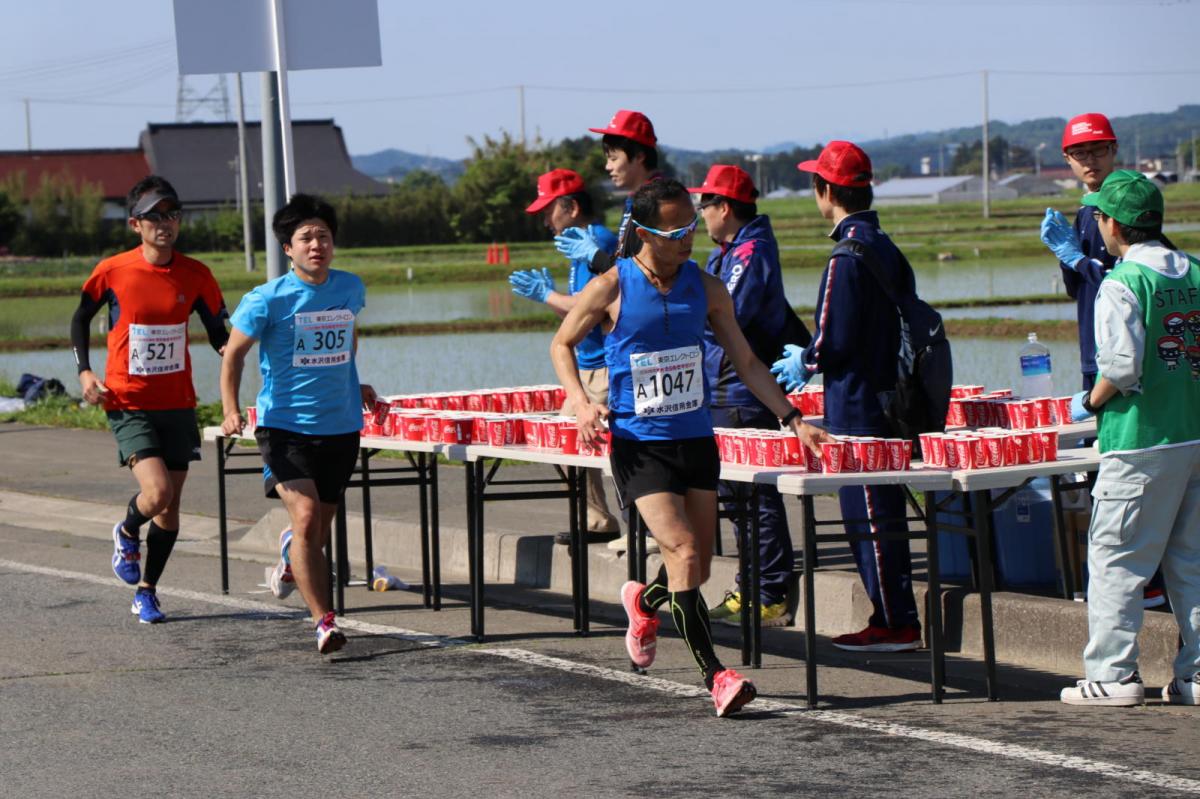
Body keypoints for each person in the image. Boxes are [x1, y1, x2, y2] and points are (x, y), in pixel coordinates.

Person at [550, 178, 828, 716]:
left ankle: (642, 600)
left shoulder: (708, 287)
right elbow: (561, 344)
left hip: (696, 439)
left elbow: (747, 363)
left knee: (694, 572)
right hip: (639, 444)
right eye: (674, 230)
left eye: (691, 228)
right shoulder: (612, 286)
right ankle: (717, 677)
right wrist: (582, 402)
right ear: (646, 232)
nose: (686, 239)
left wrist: (793, 419)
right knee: (685, 552)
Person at [772, 141, 923, 652]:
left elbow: (833, 336)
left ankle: (894, 621)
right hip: (889, 397)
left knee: (869, 517)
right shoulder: (883, 244)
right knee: (885, 512)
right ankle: (892, 615)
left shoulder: (846, 255)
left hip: (856, 403)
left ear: (827, 190)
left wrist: (804, 359)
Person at [1059, 170, 1200, 706]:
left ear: (1113, 224)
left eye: (1099, 215)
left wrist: (1087, 404)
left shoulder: (1123, 282)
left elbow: (1118, 367)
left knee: (1117, 558)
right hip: (1194, 433)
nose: (1097, 223)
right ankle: (1195, 674)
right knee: (1192, 561)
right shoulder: (1197, 272)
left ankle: (1113, 676)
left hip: (1141, 440)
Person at [220, 193, 377, 655]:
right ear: (287, 248)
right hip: (284, 426)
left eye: (323, 237)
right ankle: (324, 622)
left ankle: (291, 555)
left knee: (315, 530)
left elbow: (346, 337)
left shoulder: (351, 287)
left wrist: (356, 381)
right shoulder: (266, 299)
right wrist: (231, 409)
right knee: (308, 518)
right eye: (305, 238)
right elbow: (233, 356)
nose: (316, 245)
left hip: (341, 424)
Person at [72, 175, 228, 624]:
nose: (166, 223)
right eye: (155, 216)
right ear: (135, 224)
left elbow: (219, 333)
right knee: (156, 493)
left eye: (173, 214)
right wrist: (85, 372)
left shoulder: (197, 274)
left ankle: (148, 590)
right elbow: (80, 319)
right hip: (127, 401)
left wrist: (239, 350)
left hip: (177, 402)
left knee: (171, 507)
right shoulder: (113, 270)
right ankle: (125, 529)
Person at [1040, 113, 1166, 610]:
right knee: (1107, 468)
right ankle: (1130, 578)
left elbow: (1131, 275)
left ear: (1114, 152)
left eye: (1098, 150)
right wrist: (1071, 259)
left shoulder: (1129, 204)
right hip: (1097, 352)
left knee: (1131, 470)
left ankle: (1143, 580)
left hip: (1125, 359)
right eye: (1080, 153)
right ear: (1068, 161)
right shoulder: (1085, 212)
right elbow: (1083, 287)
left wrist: (1081, 260)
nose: (1090, 160)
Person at [687, 164, 795, 627]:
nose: (700, 215)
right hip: (723, 389)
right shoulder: (727, 252)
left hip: (741, 391)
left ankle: (769, 593)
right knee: (735, 500)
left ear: (724, 207)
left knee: (757, 500)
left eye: (704, 205)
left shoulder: (750, 254)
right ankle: (749, 587)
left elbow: (725, 317)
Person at [508, 168, 622, 541]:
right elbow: (580, 314)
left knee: (605, 447)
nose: (545, 220)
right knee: (569, 444)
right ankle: (598, 521)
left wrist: (547, 295)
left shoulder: (598, 243)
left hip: (605, 368)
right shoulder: (578, 250)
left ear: (571, 207)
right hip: (585, 369)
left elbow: (594, 308)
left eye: (548, 210)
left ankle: (633, 524)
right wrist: (553, 297)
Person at [554, 109, 662, 275]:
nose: (608, 167)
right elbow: (626, 263)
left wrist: (594, 255)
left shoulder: (657, 200)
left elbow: (642, 273)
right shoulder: (635, 200)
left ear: (639, 156)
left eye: (614, 158)